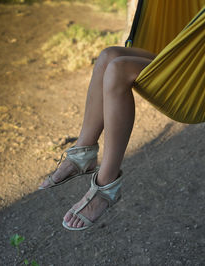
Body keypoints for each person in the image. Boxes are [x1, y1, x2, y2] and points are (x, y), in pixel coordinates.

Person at [39, 46, 156, 230]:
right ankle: (82, 154)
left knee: (119, 69)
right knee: (108, 56)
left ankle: (107, 184)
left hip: (202, 64)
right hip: (182, 51)